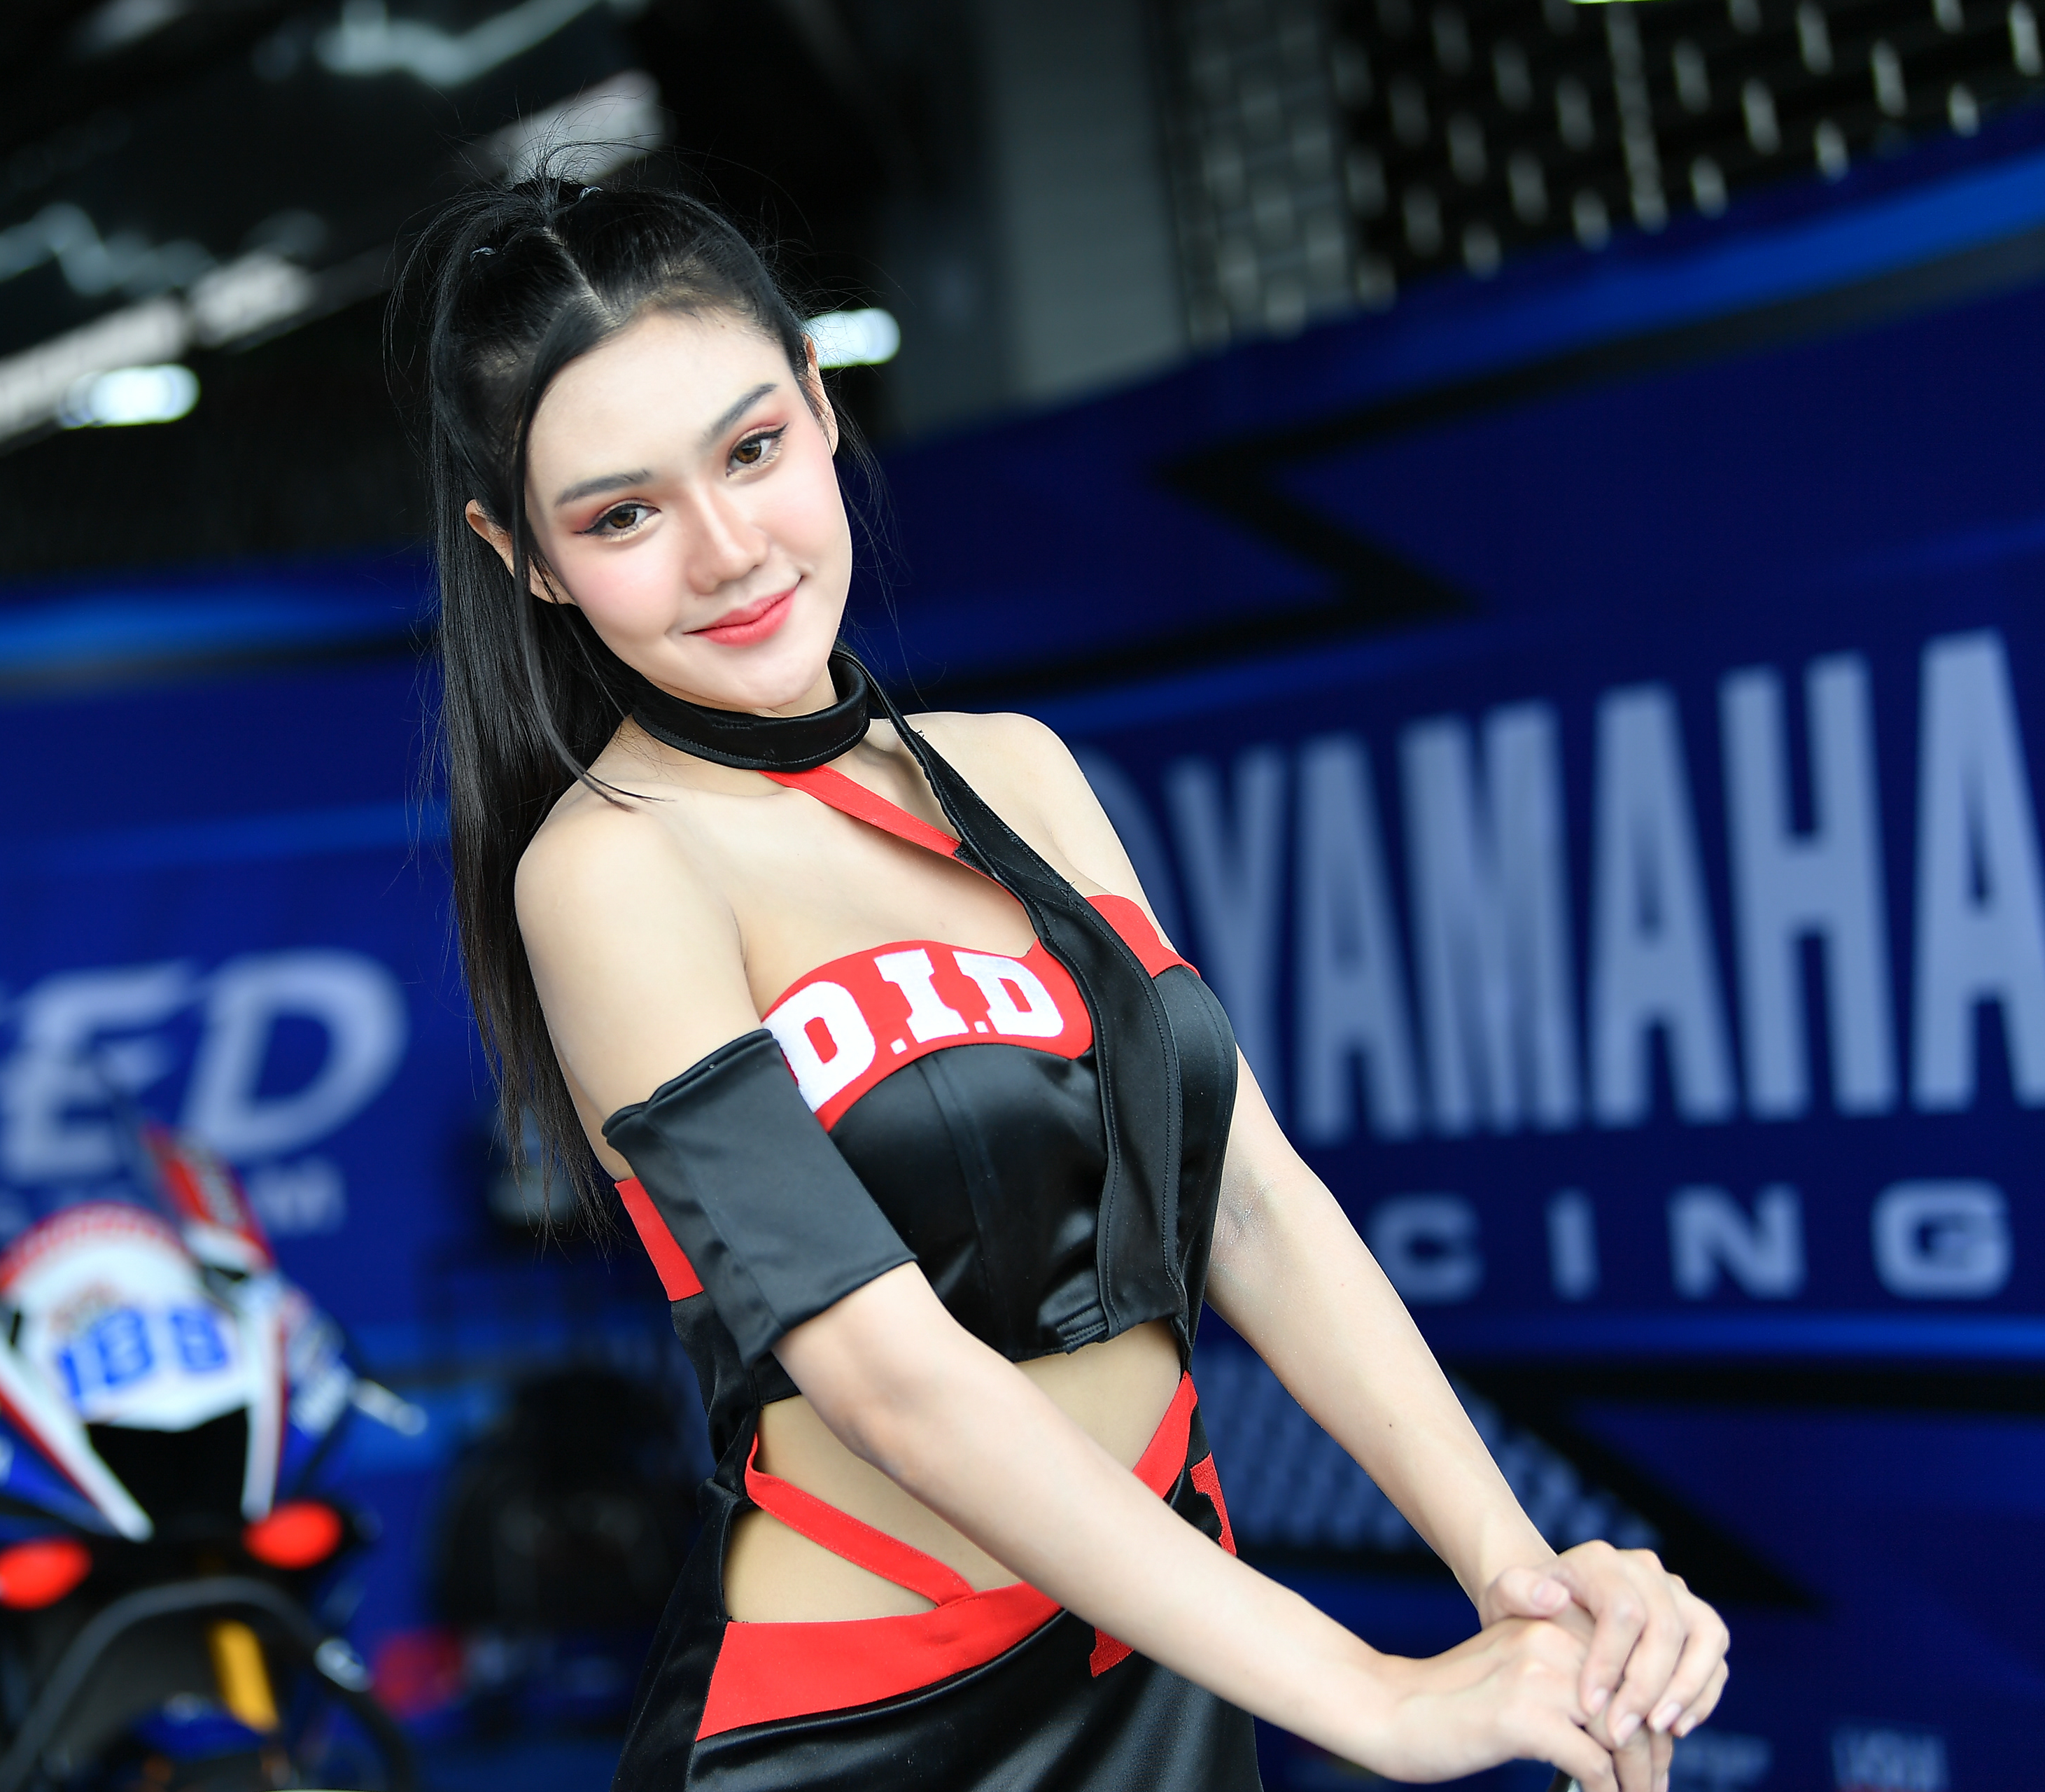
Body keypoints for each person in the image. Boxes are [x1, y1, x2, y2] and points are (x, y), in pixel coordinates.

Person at [393, 176, 1729, 1792]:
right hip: (862, 1730)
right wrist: (1373, 1695)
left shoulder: (1017, 771)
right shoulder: (610, 870)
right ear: (526, 557)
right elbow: (889, 1376)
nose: (728, 551)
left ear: (821, 400)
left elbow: (1248, 1201)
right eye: (623, 515)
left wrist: (1522, 1584)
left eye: (751, 449)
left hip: (1165, 1673)